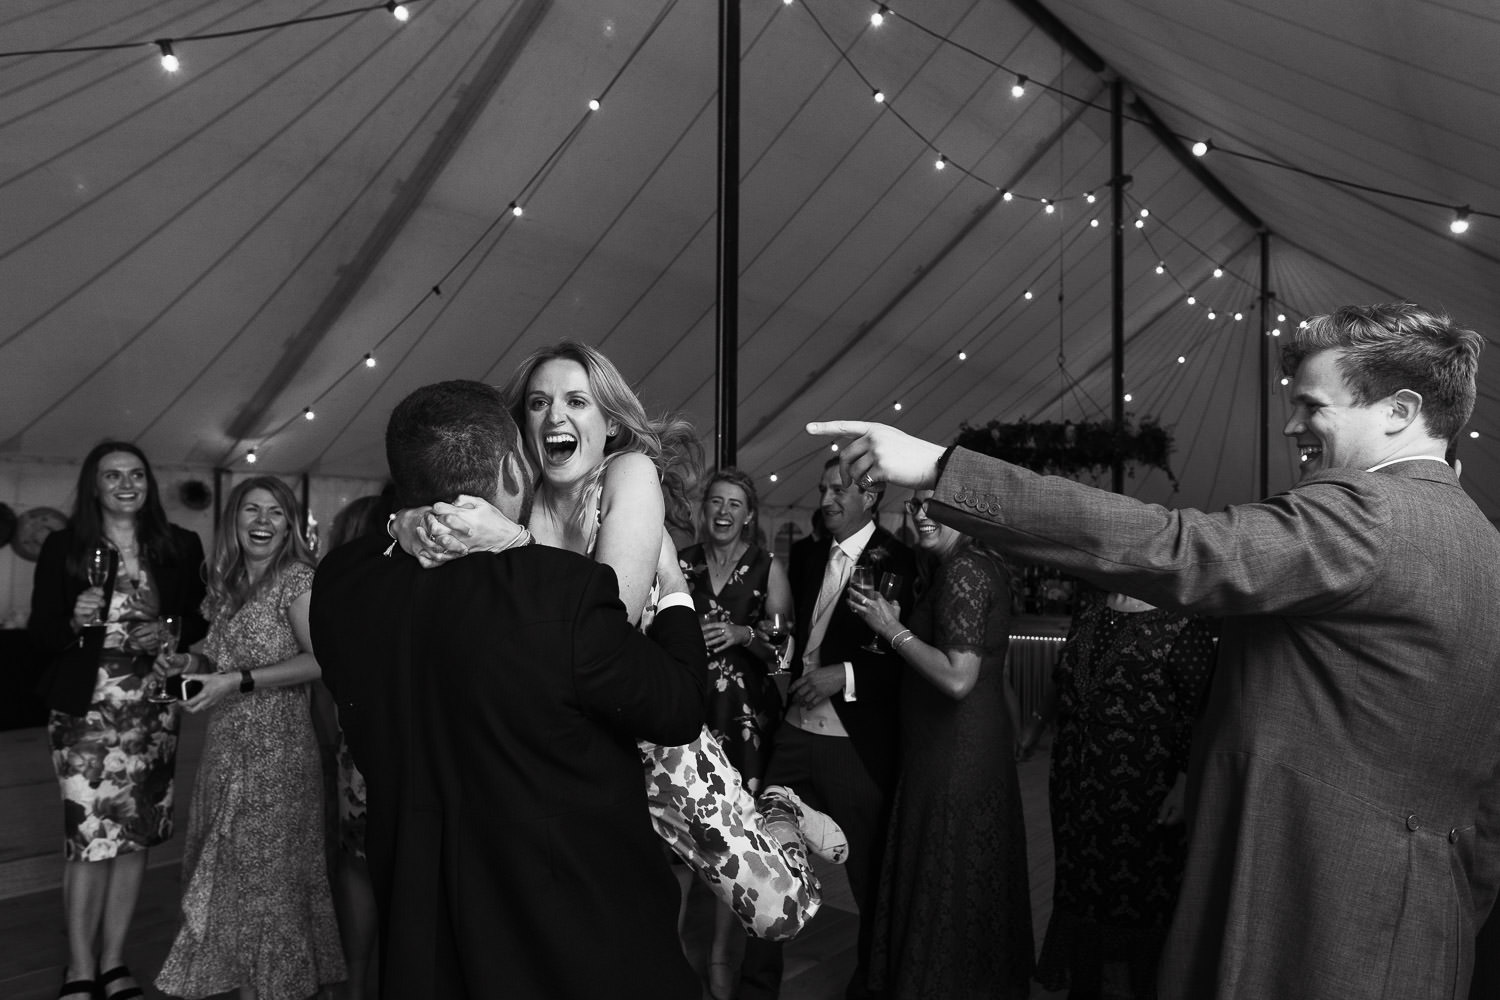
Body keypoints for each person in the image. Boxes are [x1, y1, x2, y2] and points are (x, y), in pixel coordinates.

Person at [810, 302, 1500, 998]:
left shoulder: (1368, 513)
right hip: (1424, 930)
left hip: (1319, 921)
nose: (1292, 425)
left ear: (1398, 410)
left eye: (1311, 404)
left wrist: (942, 470)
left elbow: (1179, 548)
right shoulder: (1485, 545)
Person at [388, 343, 837, 946]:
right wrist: (409, 522)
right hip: (570, 749)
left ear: (612, 424)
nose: (555, 418)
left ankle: (778, 810)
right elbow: (433, 536)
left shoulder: (628, 476)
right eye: (540, 403)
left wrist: (508, 543)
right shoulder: (516, 493)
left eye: (577, 401)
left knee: (782, 912)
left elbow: (607, 626)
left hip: (658, 740)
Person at [311, 379, 709, 999]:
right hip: (566, 937)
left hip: (424, 939)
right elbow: (681, 705)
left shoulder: (342, 584)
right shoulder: (562, 592)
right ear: (510, 466)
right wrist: (674, 583)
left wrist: (405, 518)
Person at [28, 441, 208, 1000]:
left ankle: (113, 963)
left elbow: (200, 618)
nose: (126, 484)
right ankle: (80, 969)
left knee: (133, 837)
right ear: (94, 485)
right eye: (113, 476)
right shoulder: (65, 545)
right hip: (85, 711)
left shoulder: (178, 544)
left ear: (149, 483)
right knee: (88, 839)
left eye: (136, 474)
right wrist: (71, 618)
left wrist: (173, 630)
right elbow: (40, 634)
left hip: (152, 708)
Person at [155, 476, 345, 1000]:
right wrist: (190, 662)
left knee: (271, 879)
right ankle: (242, 983)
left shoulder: (298, 580)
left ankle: (278, 987)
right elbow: (220, 656)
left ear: (289, 525)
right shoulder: (227, 583)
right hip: (225, 746)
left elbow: (321, 659)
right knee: (231, 867)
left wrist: (235, 681)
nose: (262, 522)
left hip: (278, 750)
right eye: (251, 511)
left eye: (275, 512)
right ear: (233, 521)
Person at [740, 457, 918, 1000]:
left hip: (853, 743)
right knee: (764, 860)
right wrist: (780, 660)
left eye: (838, 490)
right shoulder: (811, 554)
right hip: (794, 734)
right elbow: (789, 635)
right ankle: (756, 988)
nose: (825, 499)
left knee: (867, 877)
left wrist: (846, 674)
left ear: (872, 494)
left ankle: (871, 986)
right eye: (823, 489)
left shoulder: (903, 561)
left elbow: (911, 656)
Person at [845, 489, 1034, 998]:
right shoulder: (961, 565)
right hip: (957, 749)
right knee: (959, 882)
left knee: (947, 878)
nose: (921, 514)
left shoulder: (965, 571)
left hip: (956, 755)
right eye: (914, 506)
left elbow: (958, 679)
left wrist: (892, 629)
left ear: (966, 511)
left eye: (934, 504)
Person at [1029, 589, 1218, 1000]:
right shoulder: (1091, 608)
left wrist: (1186, 785)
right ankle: (1087, 988)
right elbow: (1062, 678)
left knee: (1135, 901)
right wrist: (1038, 724)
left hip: (1144, 789)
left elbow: (1199, 713)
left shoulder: (1184, 621)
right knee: (1079, 891)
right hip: (1075, 784)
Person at [679, 466, 795, 995]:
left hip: (745, 724)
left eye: (734, 505)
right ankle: (681, 951)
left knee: (733, 839)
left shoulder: (766, 566)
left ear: (748, 516)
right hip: (687, 716)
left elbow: (784, 646)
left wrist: (744, 631)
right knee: (683, 836)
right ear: (704, 511)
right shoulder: (681, 564)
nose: (723, 512)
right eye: (715, 503)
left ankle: (725, 959)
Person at [320, 491, 395, 1000]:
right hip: (399, 742)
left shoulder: (338, 590)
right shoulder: (403, 581)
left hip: (357, 741)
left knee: (357, 865)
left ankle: (356, 986)